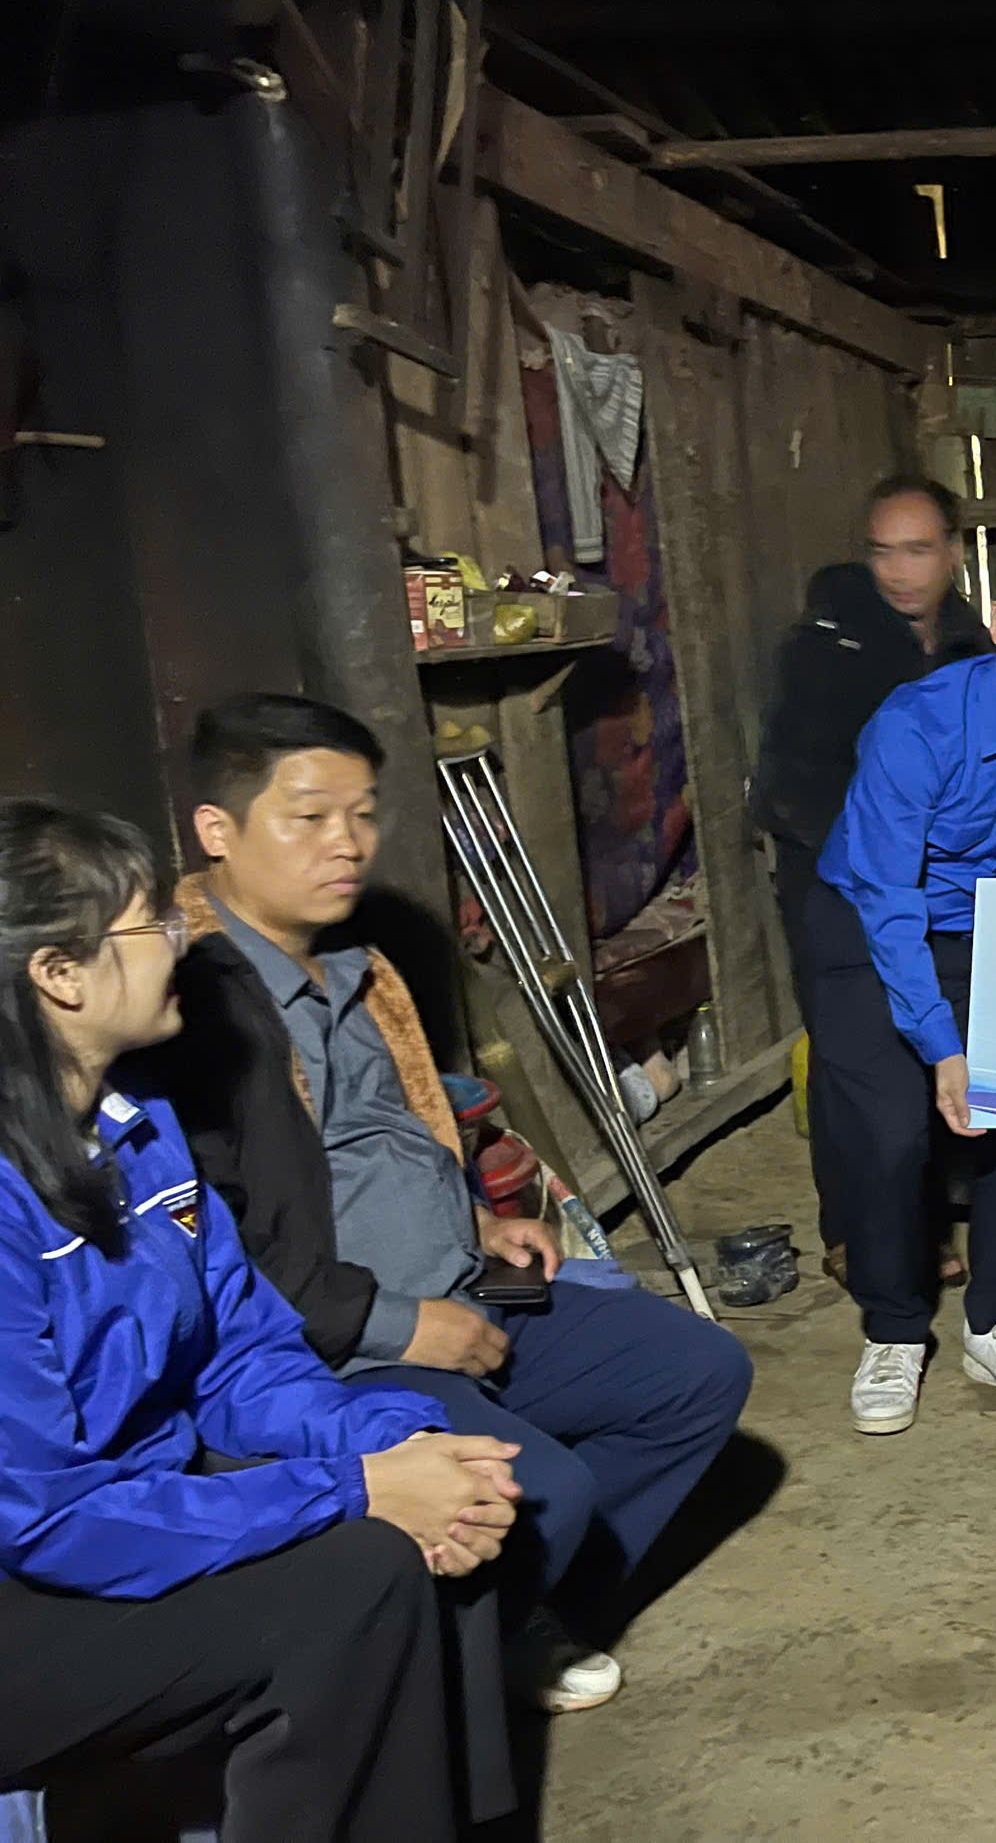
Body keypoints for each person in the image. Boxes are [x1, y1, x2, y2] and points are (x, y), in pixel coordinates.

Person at [152, 695, 754, 1715]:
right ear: (218, 830)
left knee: (696, 1373)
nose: (348, 844)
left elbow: (397, 1134)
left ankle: (522, 1617)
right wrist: (402, 1326)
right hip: (335, 1347)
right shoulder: (192, 1008)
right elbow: (218, 1249)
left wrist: (478, 1220)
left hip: (461, 1284)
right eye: (309, 817)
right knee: (540, 1489)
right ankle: (446, 1677)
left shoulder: (353, 968)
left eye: (362, 814)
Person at [0, 799, 521, 1841]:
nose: (181, 943)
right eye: (154, 923)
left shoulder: (137, 1125)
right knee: (359, 1576)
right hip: (36, 1577)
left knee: (432, 1518)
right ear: (60, 975)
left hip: (127, 1514)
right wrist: (353, 1489)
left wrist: (404, 1450)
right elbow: (47, 1520)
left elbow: (240, 1358)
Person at [810, 518, 996, 1436]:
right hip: (870, 921)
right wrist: (942, 1045)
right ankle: (894, 1328)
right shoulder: (915, 727)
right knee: (892, 1129)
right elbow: (890, 901)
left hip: (992, 926)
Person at [753, 475, 990, 1293]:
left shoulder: (973, 646)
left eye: (918, 550)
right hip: (830, 870)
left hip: (931, 874)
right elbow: (792, 778)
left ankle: (915, 1219)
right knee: (846, 1045)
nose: (899, 571)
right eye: (884, 552)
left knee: (926, 1033)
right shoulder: (825, 644)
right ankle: (851, 1228)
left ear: (952, 553)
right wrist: (863, 862)